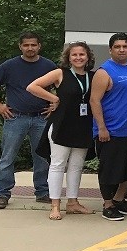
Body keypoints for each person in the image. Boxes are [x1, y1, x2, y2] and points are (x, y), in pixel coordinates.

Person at [27, 42, 96, 219]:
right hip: (61, 125)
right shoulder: (60, 73)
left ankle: (73, 202)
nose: (78, 58)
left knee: (76, 166)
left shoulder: (93, 76)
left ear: (88, 57)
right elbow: (33, 86)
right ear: (68, 58)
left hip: (83, 126)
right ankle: (55, 205)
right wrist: (54, 98)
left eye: (82, 54)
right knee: (58, 164)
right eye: (74, 55)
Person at [0, 31, 58, 208]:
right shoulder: (9, 66)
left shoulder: (49, 65)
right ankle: (2, 194)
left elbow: (62, 85)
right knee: (7, 157)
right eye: (26, 45)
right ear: (20, 46)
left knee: (42, 157)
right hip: (15, 117)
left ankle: (42, 192)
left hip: (41, 117)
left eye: (33, 45)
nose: (30, 48)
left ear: (39, 46)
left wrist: (55, 104)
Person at [89, 33, 127, 221]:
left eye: (125, 46)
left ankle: (119, 199)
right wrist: (101, 128)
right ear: (110, 50)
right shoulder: (104, 72)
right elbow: (94, 101)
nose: (121, 50)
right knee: (110, 171)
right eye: (117, 47)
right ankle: (107, 204)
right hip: (112, 131)